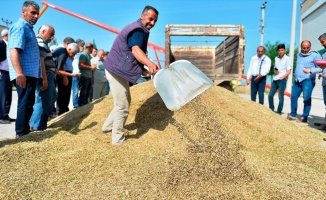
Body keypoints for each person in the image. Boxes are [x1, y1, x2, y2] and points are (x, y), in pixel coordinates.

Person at [102, 5, 159, 145]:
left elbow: (131, 57)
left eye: (155, 21)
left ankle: (107, 127)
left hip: (116, 69)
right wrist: (150, 64)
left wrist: (143, 70)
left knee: (124, 101)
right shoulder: (138, 30)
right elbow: (135, 51)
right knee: (122, 105)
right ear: (142, 16)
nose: (152, 23)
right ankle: (117, 139)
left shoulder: (139, 28)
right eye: (150, 19)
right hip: (115, 71)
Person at [29, 24, 80, 131]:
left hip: (48, 74)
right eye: (51, 34)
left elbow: (53, 65)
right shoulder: (43, 43)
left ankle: (37, 124)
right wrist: (45, 78)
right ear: (43, 31)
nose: (52, 37)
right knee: (44, 101)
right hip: (46, 75)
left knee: (50, 98)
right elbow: (42, 60)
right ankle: (37, 126)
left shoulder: (49, 46)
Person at [8, 1, 41, 137]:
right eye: (33, 12)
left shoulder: (28, 29)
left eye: (37, 13)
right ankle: (20, 134)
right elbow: (14, 51)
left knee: (29, 103)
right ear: (23, 12)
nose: (36, 16)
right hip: (24, 74)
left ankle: (25, 131)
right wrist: (20, 73)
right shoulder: (20, 27)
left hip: (30, 74)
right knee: (24, 104)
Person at [287, 40, 321, 123]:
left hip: (308, 80)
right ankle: (293, 115)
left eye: (307, 48)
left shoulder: (315, 55)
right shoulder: (298, 55)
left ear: (310, 47)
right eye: (304, 48)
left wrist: (310, 70)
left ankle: (304, 117)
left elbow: (321, 67)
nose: (305, 49)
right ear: (301, 47)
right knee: (293, 97)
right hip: (297, 80)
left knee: (306, 98)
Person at [53, 37, 76, 115]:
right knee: (62, 93)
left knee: (66, 93)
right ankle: (60, 112)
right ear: (68, 44)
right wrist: (65, 77)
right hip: (62, 74)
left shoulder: (65, 51)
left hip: (65, 73)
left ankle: (64, 110)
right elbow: (61, 64)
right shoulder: (61, 50)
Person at [268, 44, 292, 114]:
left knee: (280, 96)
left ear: (285, 50)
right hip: (275, 79)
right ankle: (271, 109)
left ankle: (279, 111)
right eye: (279, 50)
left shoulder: (287, 59)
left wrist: (282, 77)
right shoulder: (276, 58)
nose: (280, 52)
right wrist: (275, 71)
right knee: (270, 95)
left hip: (282, 80)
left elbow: (289, 71)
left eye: (282, 50)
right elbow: (275, 67)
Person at [0, 28, 15, 124]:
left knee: (8, 95)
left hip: (10, 73)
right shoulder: (1, 44)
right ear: (6, 35)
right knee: (3, 95)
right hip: (3, 72)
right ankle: (1, 116)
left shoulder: (10, 46)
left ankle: (6, 114)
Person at [78, 42, 96, 106]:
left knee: (87, 95)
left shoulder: (88, 56)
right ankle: (80, 109)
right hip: (84, 77)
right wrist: (91, 67)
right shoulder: (84, 55)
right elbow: (81, 65)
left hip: (88, 77)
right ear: (91, 48)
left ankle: (84, 108)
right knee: (83, 94)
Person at [71, 38, 84, 108]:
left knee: (81, 90)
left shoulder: (82, 54)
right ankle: (75, 105)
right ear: (78, 45)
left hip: (80, 74)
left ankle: (80, 103)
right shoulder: (73, 53)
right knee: (75, 91)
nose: (83, 47)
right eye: (82, 46)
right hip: (74, 74)